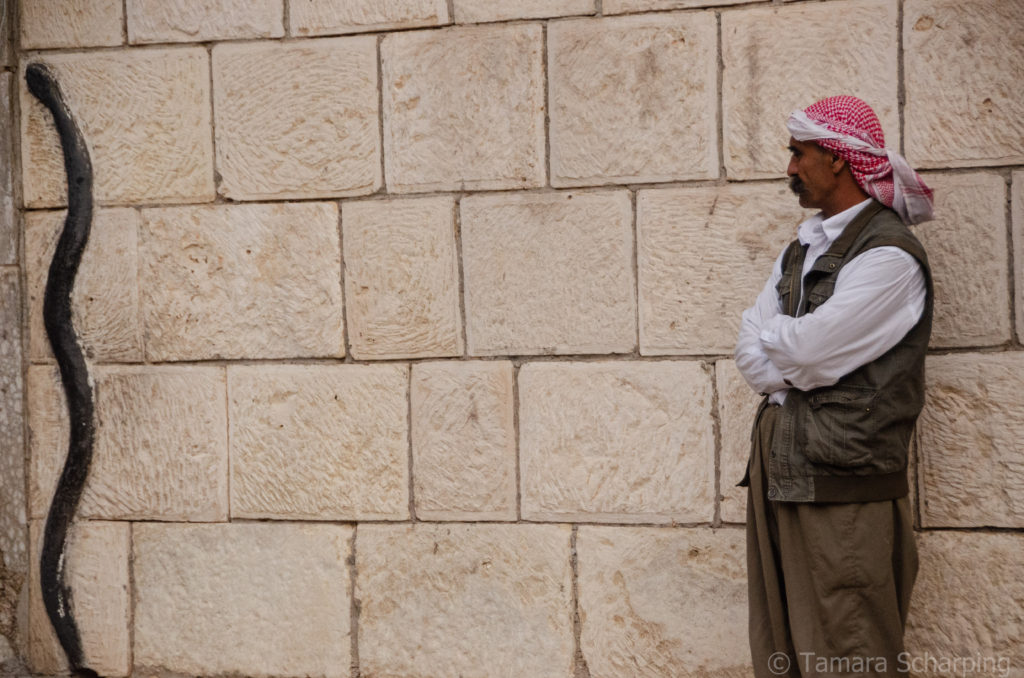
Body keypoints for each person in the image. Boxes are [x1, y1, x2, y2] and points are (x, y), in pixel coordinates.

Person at [735, 95, 935, 678]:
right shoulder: (801, 249)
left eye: (799, 154)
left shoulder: (890, 257)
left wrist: (786, 342)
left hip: (842, 486)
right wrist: (789, 344)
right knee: (781, 649)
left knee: (851, 655)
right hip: (782, 475)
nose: (790, 168)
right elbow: (753, 358)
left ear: (840, 160)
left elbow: (811, 353)